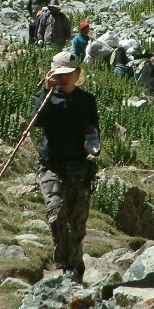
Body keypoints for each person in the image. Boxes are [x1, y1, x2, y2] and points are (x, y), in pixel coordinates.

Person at [32, 51, 100, 283]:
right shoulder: (46, 97)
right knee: (56, 211)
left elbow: (93, 128)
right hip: (51, 165)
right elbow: (37, 121)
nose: (63, 78)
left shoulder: (87, 100)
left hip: (79, 167)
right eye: (58, 74)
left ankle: (75, 269)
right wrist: (46, 93)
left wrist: (93, 142)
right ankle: (64, 262)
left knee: (77, 221)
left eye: (67, 74)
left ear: (77, 73)